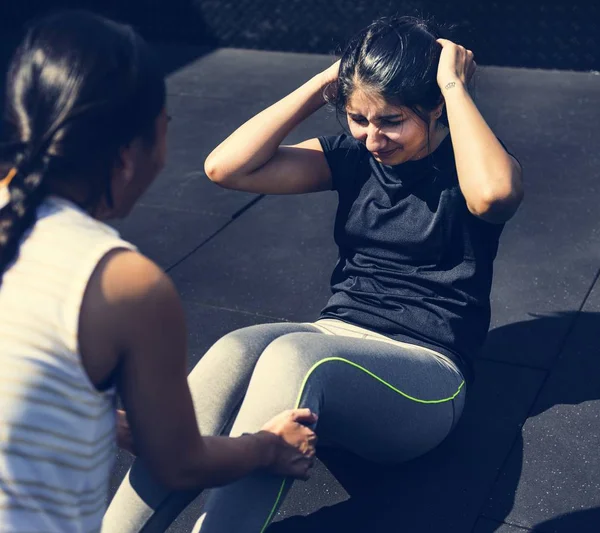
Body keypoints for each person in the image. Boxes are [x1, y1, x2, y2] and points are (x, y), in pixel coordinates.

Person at [103, 15, 523, 533]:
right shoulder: (352, 160)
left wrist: (454, 84)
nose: (373, 139)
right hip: (337, 340)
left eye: (392, 120)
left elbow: (495, 197)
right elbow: (224, 168)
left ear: (436, 107)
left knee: (295, 356)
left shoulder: (471, 164)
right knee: (236, 348)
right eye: (358, 118)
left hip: (426, 376)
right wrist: (325, 84)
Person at [0, 10, 318, 533]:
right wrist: (266, 446)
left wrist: (108, 419)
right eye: (165, 129)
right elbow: (180, 463)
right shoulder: (125, 285)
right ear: (129, 153)